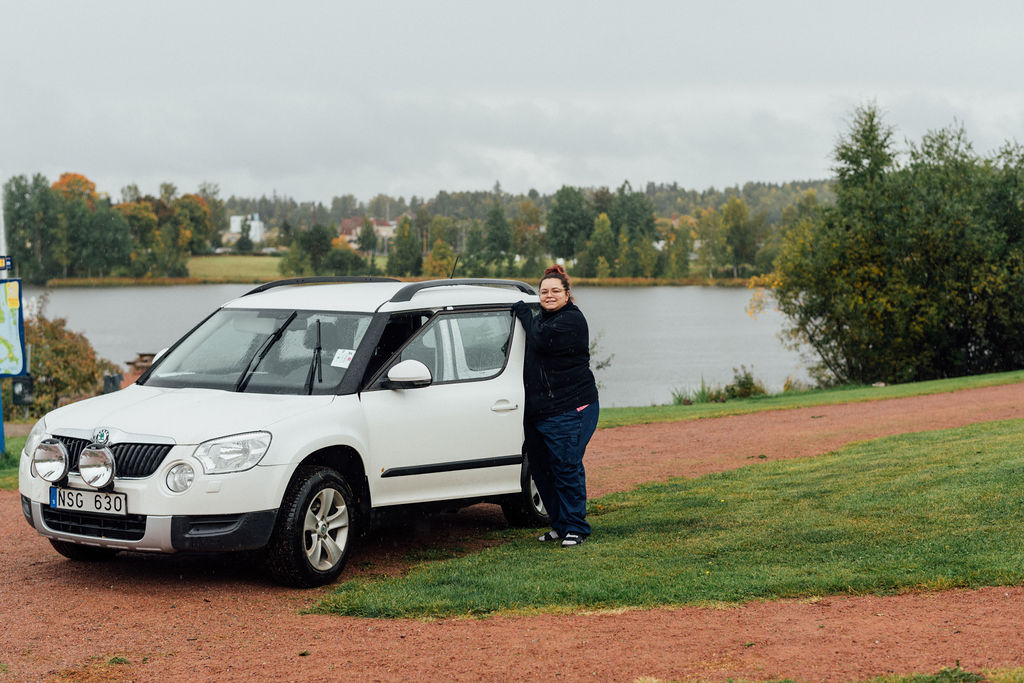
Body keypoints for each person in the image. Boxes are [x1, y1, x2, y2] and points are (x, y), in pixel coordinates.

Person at [511, 264, 599, 548]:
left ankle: (576, 528)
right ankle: (560, 526)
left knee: (565, 467)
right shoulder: (544, 318)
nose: (548, 296)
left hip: (570, 407)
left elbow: (539, 338)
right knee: (542, 470)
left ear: (567, 294)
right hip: (539, 411)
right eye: (544, 292)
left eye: (555, 291)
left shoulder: (571, 320)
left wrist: (524, 313)